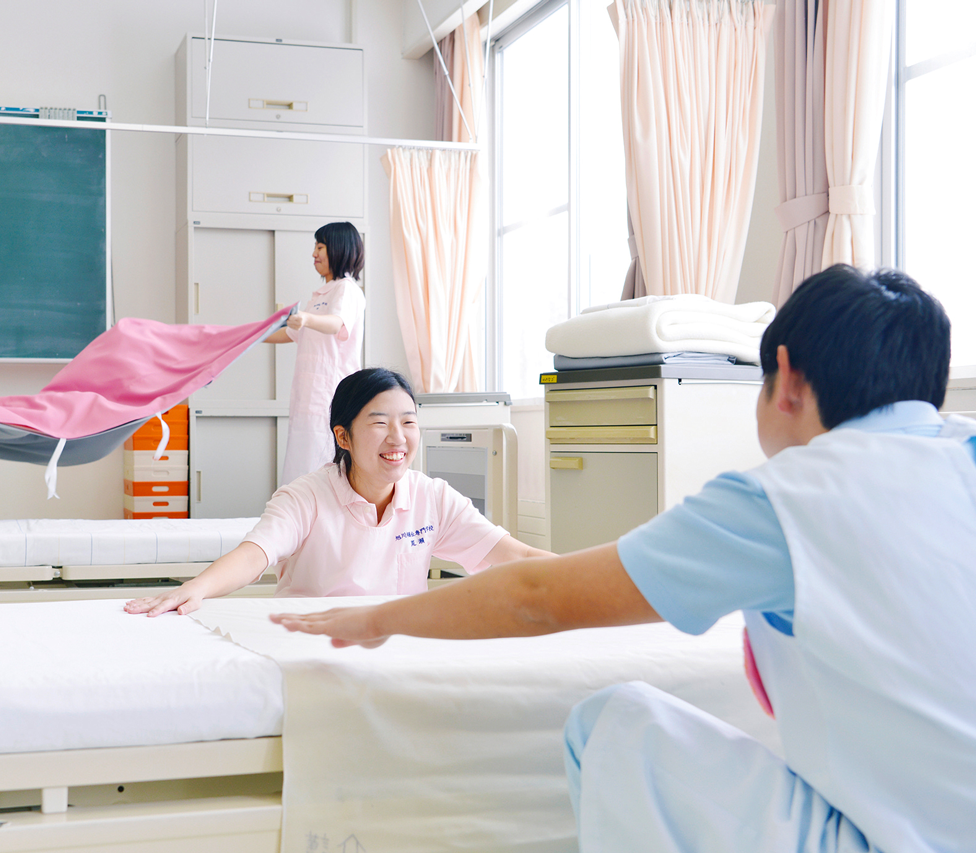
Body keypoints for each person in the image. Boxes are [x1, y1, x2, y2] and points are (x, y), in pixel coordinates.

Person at [272, 265, 976, 853]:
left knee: (615, 721)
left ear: (785, 377)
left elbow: (536, 595)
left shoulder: (784, 498)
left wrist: (380, 620)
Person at [125, 367, 549, 617]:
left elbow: (514, 554)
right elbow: (255, 554)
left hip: (396, 647)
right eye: (380, 423)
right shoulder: (305, 497)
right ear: (343, 436)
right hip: (315, 643)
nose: (398, 437)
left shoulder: (432, 497)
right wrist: (197, 587)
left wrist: (583, 574)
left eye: (408, 422)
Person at [268, 221, 367, 484]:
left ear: (338, 248)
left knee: (321, 468)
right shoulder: (319, 296)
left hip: (330, 395)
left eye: (320, 247)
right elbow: (290, 334)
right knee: (302, 467)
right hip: (307, 398)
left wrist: (306, 319)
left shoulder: (346, 289)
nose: (314, 254)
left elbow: (336, 323)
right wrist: (252, 337)